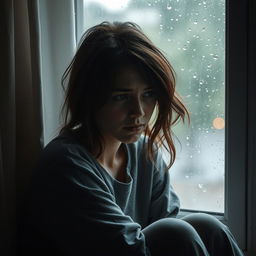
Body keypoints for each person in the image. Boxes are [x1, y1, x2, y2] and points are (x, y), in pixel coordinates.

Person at [18, 21, 244, 256]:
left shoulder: (145, 152)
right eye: (120, 97)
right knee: (175, 232)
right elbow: (129, 250)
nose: (138, 112)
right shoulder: (66, 164)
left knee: (208, 227)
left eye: (148, 95)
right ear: (90, 97)